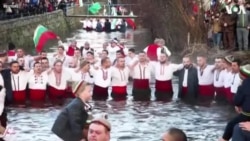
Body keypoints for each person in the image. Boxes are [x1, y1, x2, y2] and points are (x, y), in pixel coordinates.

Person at [219, 64, 250, 141]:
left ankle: (224, 139)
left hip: (246, 114)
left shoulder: (244, 85)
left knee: (231, 125)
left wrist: (238, 105)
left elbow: (237, 101)